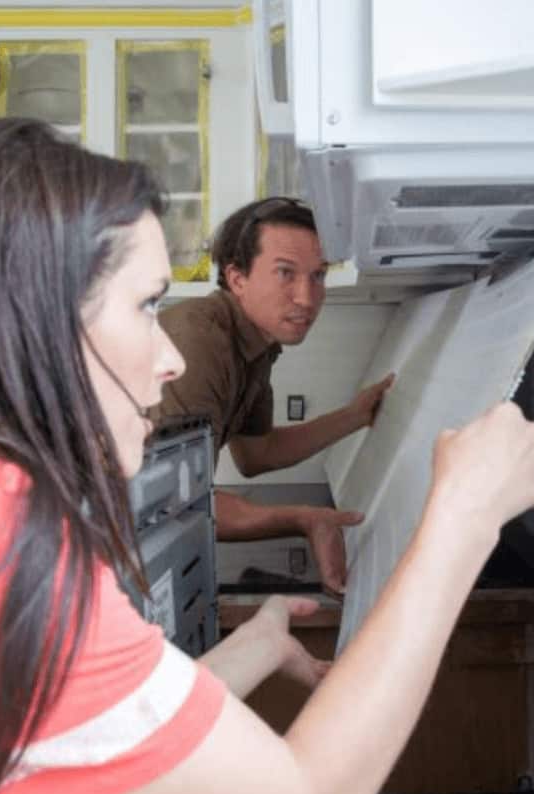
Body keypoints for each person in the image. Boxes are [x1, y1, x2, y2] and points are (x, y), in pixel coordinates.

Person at [0, 115, 534, 794]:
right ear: (28, 313)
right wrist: (463, 518)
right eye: (146, 306)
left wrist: (256, 646)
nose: (167, 358)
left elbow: (96, 723)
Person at [153, 197, 394, 596]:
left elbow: (256, 455)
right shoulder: (199, 342)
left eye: (318, 276)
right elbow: (175, 506)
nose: (306, 297)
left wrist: (355, 417)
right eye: (286, 273)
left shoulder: (257, 345)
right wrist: (304, 518)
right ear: (237, 278)